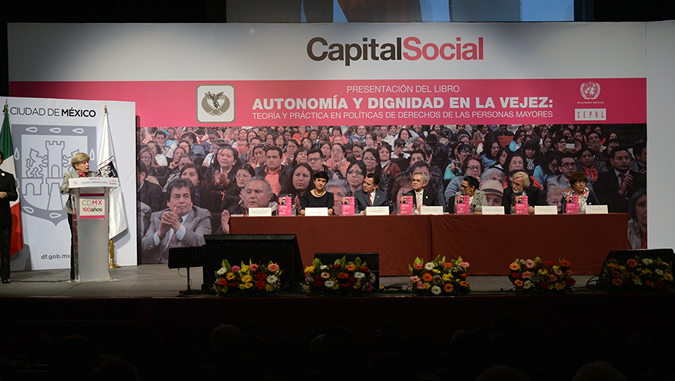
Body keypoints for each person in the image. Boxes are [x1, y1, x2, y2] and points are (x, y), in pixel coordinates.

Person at [141, 178, 212, 264]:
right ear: (168, 202)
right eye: (176, 197)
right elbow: (142, 247)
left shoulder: (202, 216)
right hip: (157, 268)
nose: (182, 201)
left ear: (192, 201)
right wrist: (160, 233)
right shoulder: (157, 217)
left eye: (186, 196)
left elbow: (202, 244)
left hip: (187, 266)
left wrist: (178, 227)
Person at [60, 152, 98, 280]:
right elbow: (63, 189)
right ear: (76, 166)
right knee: (76, 240)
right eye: (84, 163)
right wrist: (72, 186)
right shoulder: (69, 175)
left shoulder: (94, 175)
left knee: (91, 240)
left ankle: (92, 270)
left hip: (91, 211)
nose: (87, 165)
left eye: (87, 162)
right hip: (74, 212)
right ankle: (75, 272)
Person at [595, 146, 646, 213]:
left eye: (627, 158)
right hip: (612, 213)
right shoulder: (603, 177)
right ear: (612, 161)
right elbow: (601, 200)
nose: (624, 161)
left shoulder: (641, 178)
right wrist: (620, 192)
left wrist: (631, 187)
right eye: (620, 159)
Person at [0, 151, 17, 283]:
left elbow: (14, 195)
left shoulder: (8, 177)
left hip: (4, 218)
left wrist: (6, 194)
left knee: (5, 248)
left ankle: (5, 276)